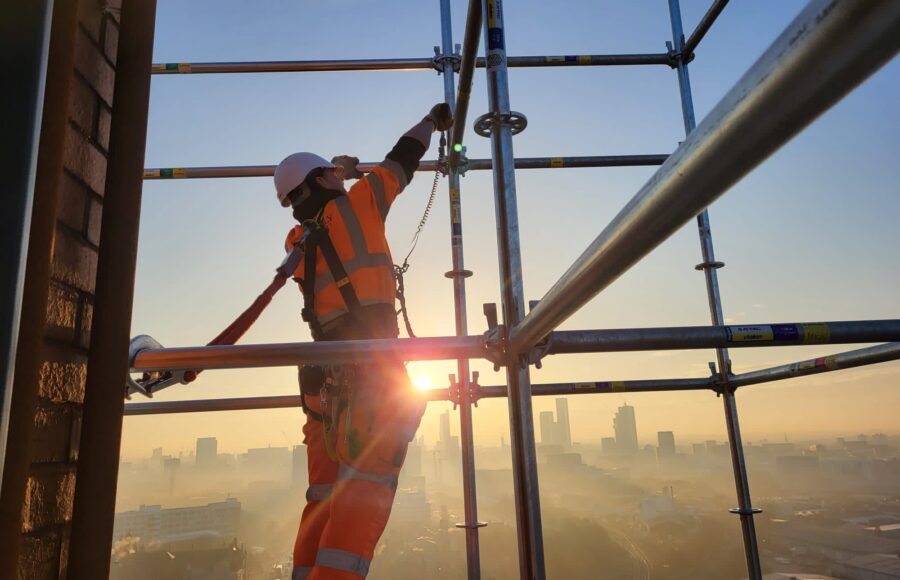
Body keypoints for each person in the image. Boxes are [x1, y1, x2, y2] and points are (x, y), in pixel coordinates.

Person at [275, 103, 454, 580]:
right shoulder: (359, 204)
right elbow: (402, 159)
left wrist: (338, 178)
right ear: (320, 181)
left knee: (323, 493)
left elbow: (324, 223)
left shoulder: (297, 240)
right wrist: (432, 121)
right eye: (330, 174)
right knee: (362, 494)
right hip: (369, 373)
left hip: (322, 377)